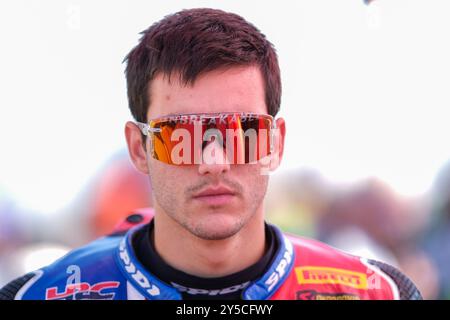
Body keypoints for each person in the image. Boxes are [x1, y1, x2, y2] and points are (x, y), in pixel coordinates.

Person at [0, 8, 421, 300]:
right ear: (138, 148)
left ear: (274, 144)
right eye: (180, 135)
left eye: (243, 132)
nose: (214, 160)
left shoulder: (377, 291)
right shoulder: (37, 294)